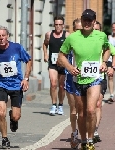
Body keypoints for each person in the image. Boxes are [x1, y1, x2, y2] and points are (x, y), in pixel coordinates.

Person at [57, 9, 110, 150]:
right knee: (81, 113)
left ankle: (91, 140)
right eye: (85, 20)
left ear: (94, 21)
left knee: (91, 110)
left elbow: (107, 49)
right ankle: (84, 140)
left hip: (95, 78)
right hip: (78, 79)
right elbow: (61, 56)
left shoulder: (101, 35)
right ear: (81, 21)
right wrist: (69, 67)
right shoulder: (73, 37)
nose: (87, 23)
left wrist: (104, 62)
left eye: (90, 20)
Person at [0, 26, 32, 149]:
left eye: (3, 35)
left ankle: (13, 119)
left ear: (7, 36)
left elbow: (28, 60)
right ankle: (4, 139)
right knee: (1, 112)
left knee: (16, 115)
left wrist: (26, 78)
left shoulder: (16, 48)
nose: (1, 38)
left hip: (16, 85)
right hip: (1, 84)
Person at [43, 16, 70, 115]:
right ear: (54, 25)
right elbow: (45, 44)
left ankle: (61, 105)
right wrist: (45, 54)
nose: (58, 27)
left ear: (63, 25)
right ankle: (54, 105)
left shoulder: (67, 35)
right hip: (52, 63)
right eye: (56, 24)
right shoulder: (49, 34)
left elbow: (71, 48)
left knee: (62, 86)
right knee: (53, 84)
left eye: (60, 25)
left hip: (63, 63)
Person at [64, 18, 82, 149]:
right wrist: (69, 67)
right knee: (74, 109)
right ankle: (74, 133)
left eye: (81, 29)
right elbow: (60, 58)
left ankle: (88, 135)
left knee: (87, 109)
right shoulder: (69, 42)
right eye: (76, 29)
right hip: (71, 79)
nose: (79, 32)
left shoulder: (91, 41)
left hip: (87, 79)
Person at [107, 22, 115, 102]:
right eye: (113, 27)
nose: (114, 29)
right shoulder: (109, 37)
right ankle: (111, 95)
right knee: (110, 76)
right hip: (110, 59)